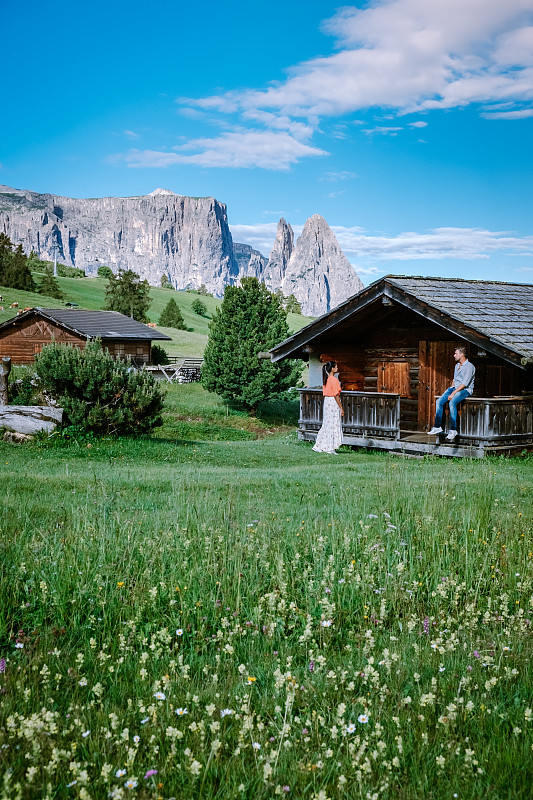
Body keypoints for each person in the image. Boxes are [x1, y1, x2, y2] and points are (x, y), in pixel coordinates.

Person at [429, 346, 475, 441]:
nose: (454, 355)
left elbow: (464, 384)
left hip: (465, 390)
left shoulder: (469, 367)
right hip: (454, 388)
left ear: (462, 354)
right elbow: (454, 380)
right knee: (439, 401)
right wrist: (450, 390)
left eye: (456, 353)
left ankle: (453, 429)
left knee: (452, 402)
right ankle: (437, 426)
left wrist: (453, 393)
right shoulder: (456, 366)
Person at [312, 361, 344, 454]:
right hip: (333, 403)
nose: (337, 368)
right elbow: (336, 395)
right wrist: (341, 408)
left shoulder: (326, 379)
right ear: (332, 368)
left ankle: (320, 445)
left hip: (327, 402)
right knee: (333, 424)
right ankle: (329, 447)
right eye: (336, 367)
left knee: (327, 424)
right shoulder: (334, 380)